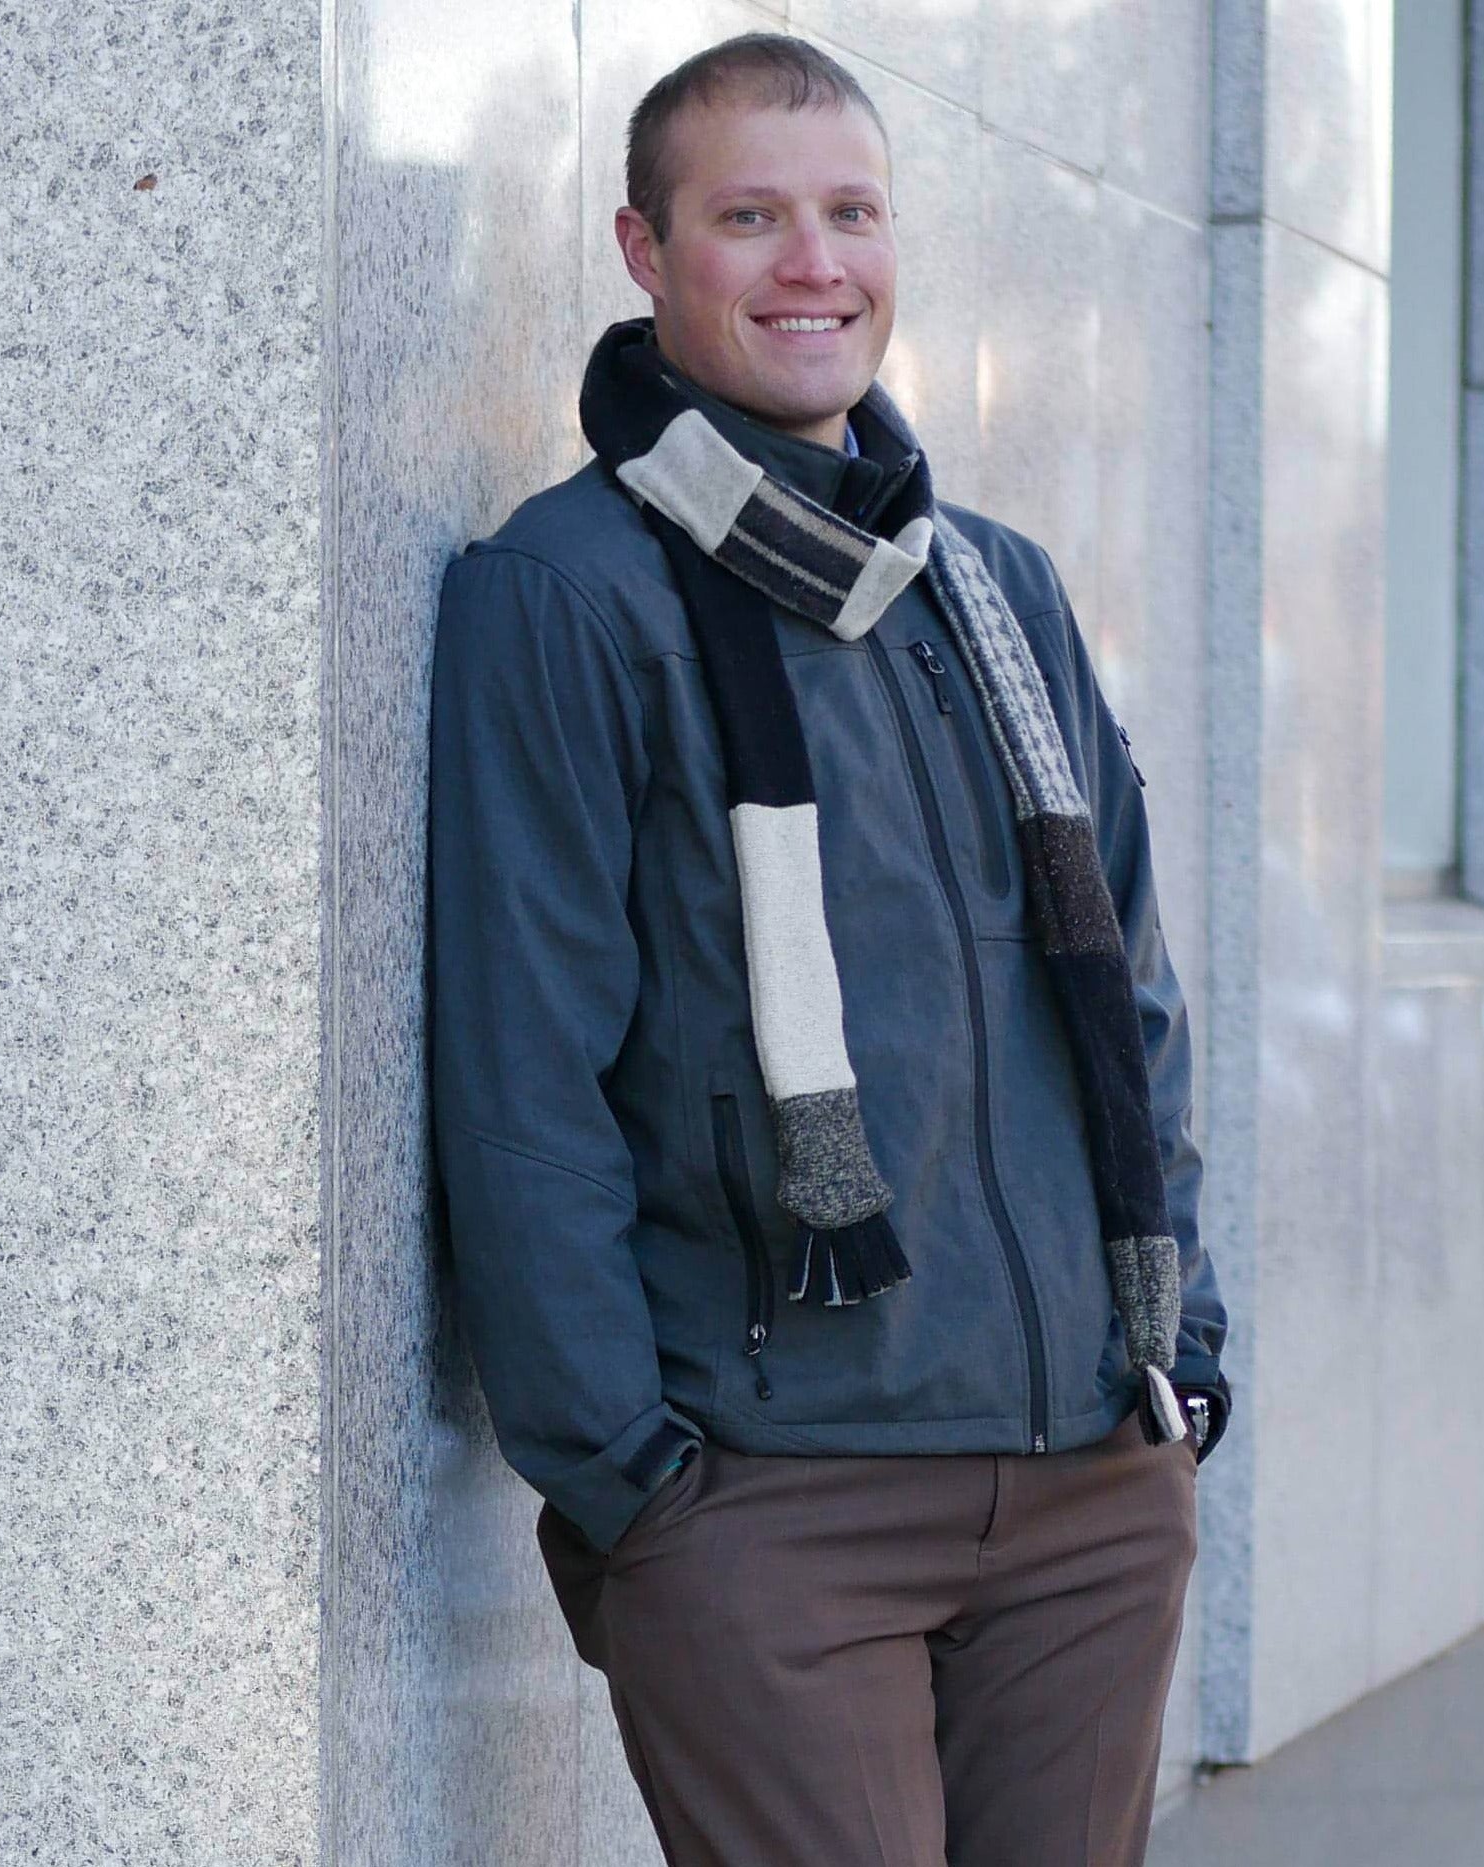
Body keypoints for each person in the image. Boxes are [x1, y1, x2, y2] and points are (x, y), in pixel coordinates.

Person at [426, 31, 1231, 1867]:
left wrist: (1174, 1357)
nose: (815, 265)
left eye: (850, 212)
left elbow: (1137, 1005)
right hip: (773, 1500)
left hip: (1092, 1485)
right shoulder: (567, 594)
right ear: (645, 250)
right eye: (751, 217)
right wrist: (633, 1481)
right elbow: (521, 1072)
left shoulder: (997, 587)